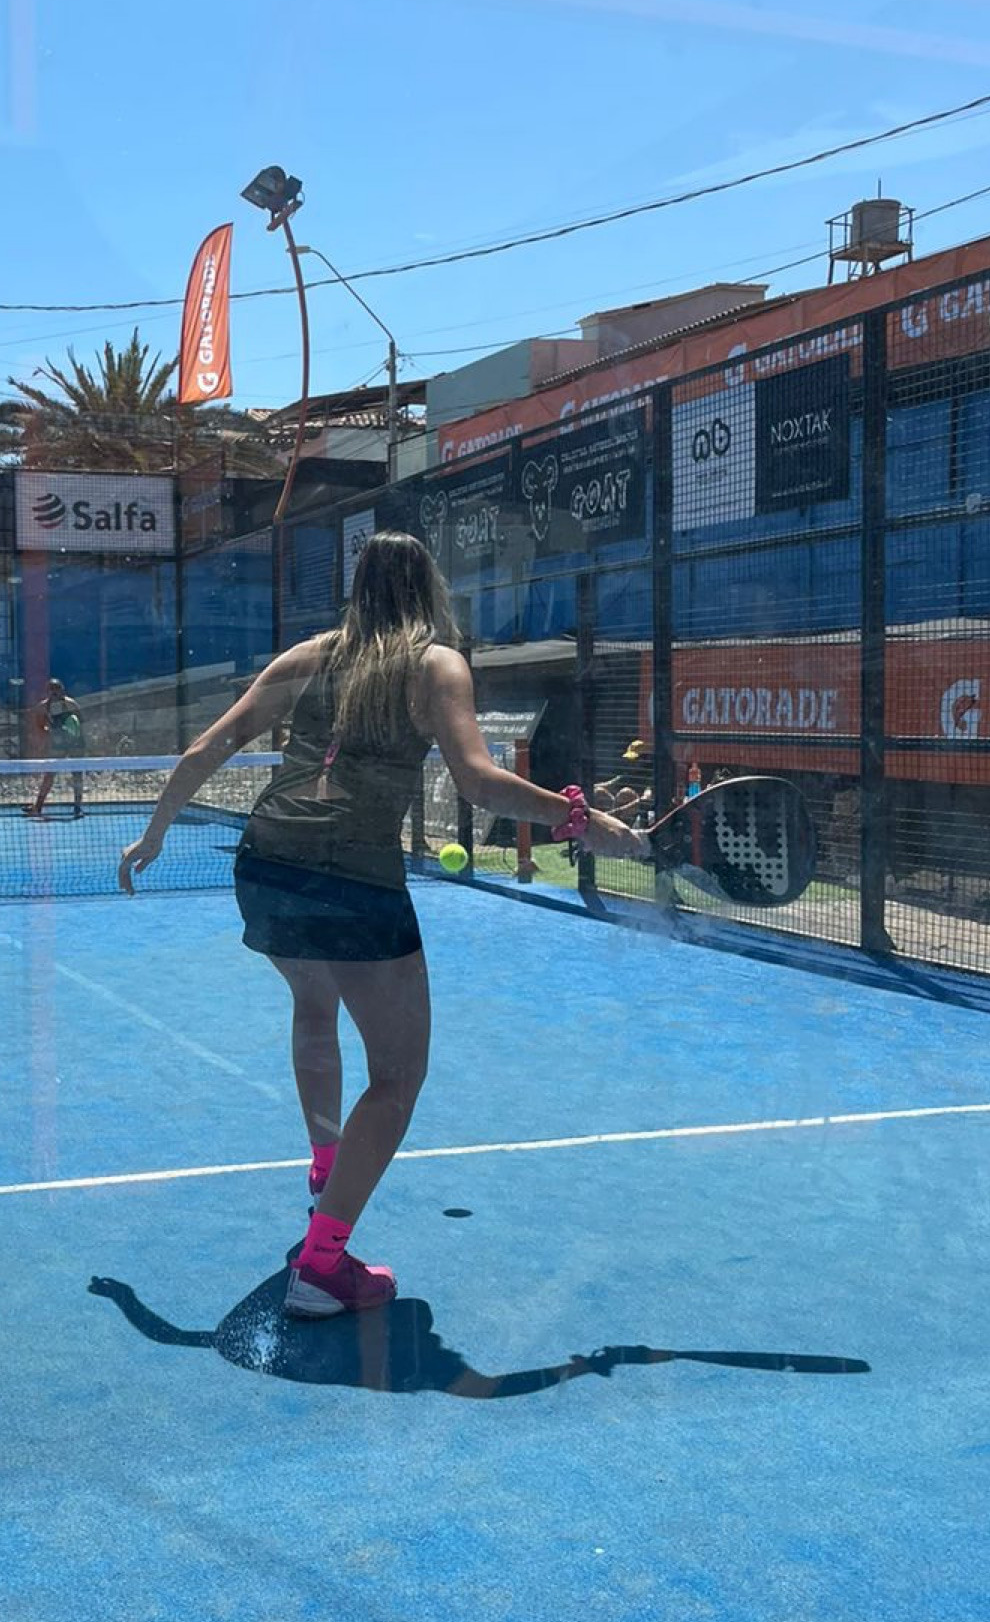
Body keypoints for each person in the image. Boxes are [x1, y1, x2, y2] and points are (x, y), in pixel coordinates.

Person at [118, 531, 648, 1320]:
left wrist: (154, 834)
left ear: (357, 588)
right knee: (397, 1078)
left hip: (265, 868)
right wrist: (579, 819)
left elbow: (209, 744)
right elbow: (478, 781)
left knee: (313, 1005)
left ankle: (326, 1167)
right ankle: (321, 1266)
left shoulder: (305, 658)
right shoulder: (436, 666)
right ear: (427, 588)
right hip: (351, 882)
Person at [25, 679, 86, 819]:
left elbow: (81, 722)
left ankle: (78, 807)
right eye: (52, 689)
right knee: (50, 774)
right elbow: (38, 724)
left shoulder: (71, 704)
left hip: (75, 743)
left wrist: (73, 733)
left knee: (77, 774)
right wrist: (46, 733)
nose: (55, 692)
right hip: (58, 745)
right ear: (48, 692)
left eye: (57, 689)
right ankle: (38, 806)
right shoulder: (42, 707)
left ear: (62, 690)